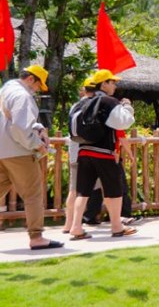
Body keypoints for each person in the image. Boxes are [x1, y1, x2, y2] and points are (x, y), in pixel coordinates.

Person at [69, 69, 137, 240]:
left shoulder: (81, 103)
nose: (114, 85)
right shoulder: (108, 101)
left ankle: (76, 227)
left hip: (83, 151)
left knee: (83, 191)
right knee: (114, 190)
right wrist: (127, 106)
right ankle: (117, 227)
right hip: (104, 152)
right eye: (112, 82)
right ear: (104, 84)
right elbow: (125, 122)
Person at [0, 66, 63, 250]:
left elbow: (12, 120)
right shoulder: (23, 96)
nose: (36, 90)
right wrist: (36, 144)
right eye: (37, 85)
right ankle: (36, 237)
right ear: (30, 79)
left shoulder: (5, 91)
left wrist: (38, 127)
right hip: (18, 151)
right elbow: (20, 128)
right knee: (33, 194)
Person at [62, 77, 95, 233]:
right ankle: (118, 221)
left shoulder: (76, 105)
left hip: (74, 150)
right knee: (108, 189)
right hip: (90, 152)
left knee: (73, 189)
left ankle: (68, 223)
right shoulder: (95, 105)